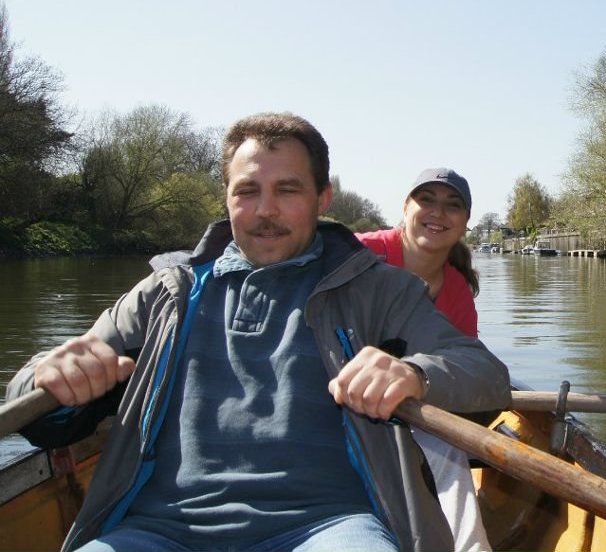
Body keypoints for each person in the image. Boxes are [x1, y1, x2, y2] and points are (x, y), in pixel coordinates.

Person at [5, 113, 511, 552]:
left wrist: (415, 374)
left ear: (322, 198)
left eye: (287, 190)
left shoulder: (380, 292)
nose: (265, 210)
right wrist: (52, 378)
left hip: (327, 527)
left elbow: (485, 374)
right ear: (226, 199)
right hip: (157, 531)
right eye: (247, 191)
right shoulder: (165, 294)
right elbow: (36, 413)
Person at [356, 168, 490, 552]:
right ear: (405, 208)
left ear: (465, 222)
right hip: (338, 405)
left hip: (412, 414)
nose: (437, 212)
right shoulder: (359, 252)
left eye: (452, 205)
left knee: (445, 443)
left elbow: (465, 370)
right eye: (426, 200)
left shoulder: (457, 290)